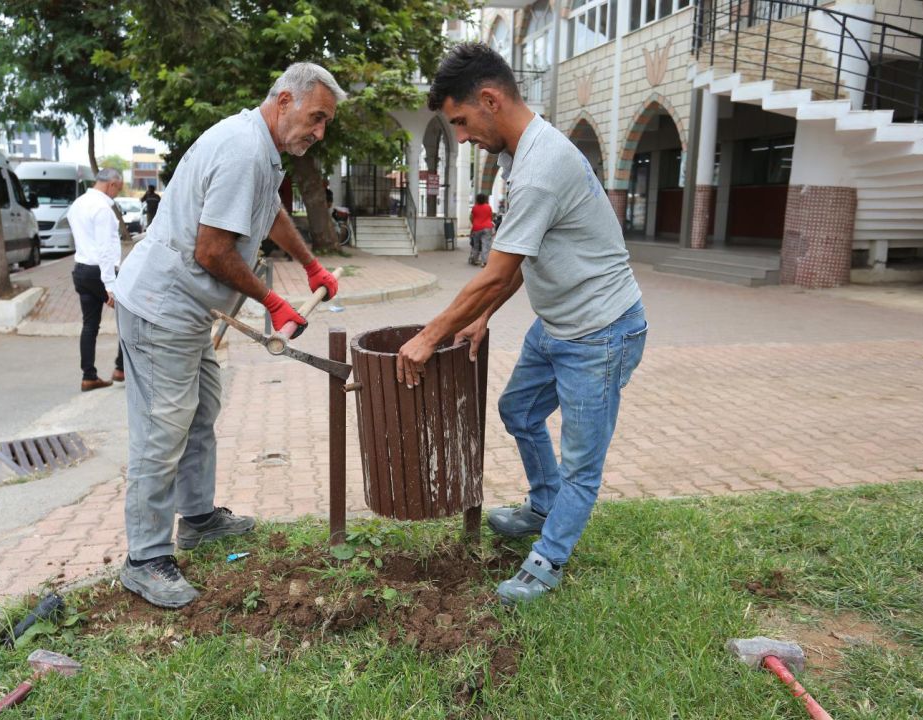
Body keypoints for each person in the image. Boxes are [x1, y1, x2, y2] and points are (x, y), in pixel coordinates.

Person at [396, 44, 647, 605]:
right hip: (557, 323)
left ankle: (547, 560)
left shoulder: (540, 168)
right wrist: (483, 316)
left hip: (602, 331)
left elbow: (493, 273)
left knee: (582, 462)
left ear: (490, 100)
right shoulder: (519, 156)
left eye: (461, 121)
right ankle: (544, 504)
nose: (462, 137)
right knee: (520, 411)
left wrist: (428, 337)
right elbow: (518, 258)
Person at [113, 63, 345, 609]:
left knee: (201, 410)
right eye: (316, 118)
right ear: (284, 100)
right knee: (162, 428)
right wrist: (272, 301)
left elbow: (269, 213)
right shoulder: (243, 149)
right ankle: (145, 558)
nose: (318, 132)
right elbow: (212, 251)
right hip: (161, 307)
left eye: (325, 123)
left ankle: (198, 520)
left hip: (188, 311)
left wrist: (310, 264)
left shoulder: (262, 149)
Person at [66, 167, 125, 392]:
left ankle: (88, 376)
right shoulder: (102, 209)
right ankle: (121, 368)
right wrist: (110, 286)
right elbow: (105, 250)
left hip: (81, 270)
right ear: (111, 184)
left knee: (89, 325)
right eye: (118, 189)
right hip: (100, 272)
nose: (117, 193)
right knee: (129, 316)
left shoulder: (77, 204)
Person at [470, 193, 494, 266]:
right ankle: (484, 262)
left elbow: (471, 218)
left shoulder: (474, 208)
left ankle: (475, 259)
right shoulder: (488, 207)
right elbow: (491, 217)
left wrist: (474, 224)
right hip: (487, 227)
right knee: (485, 244)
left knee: (476, 245)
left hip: (476, 228)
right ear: (485, 199)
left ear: (477, 199)